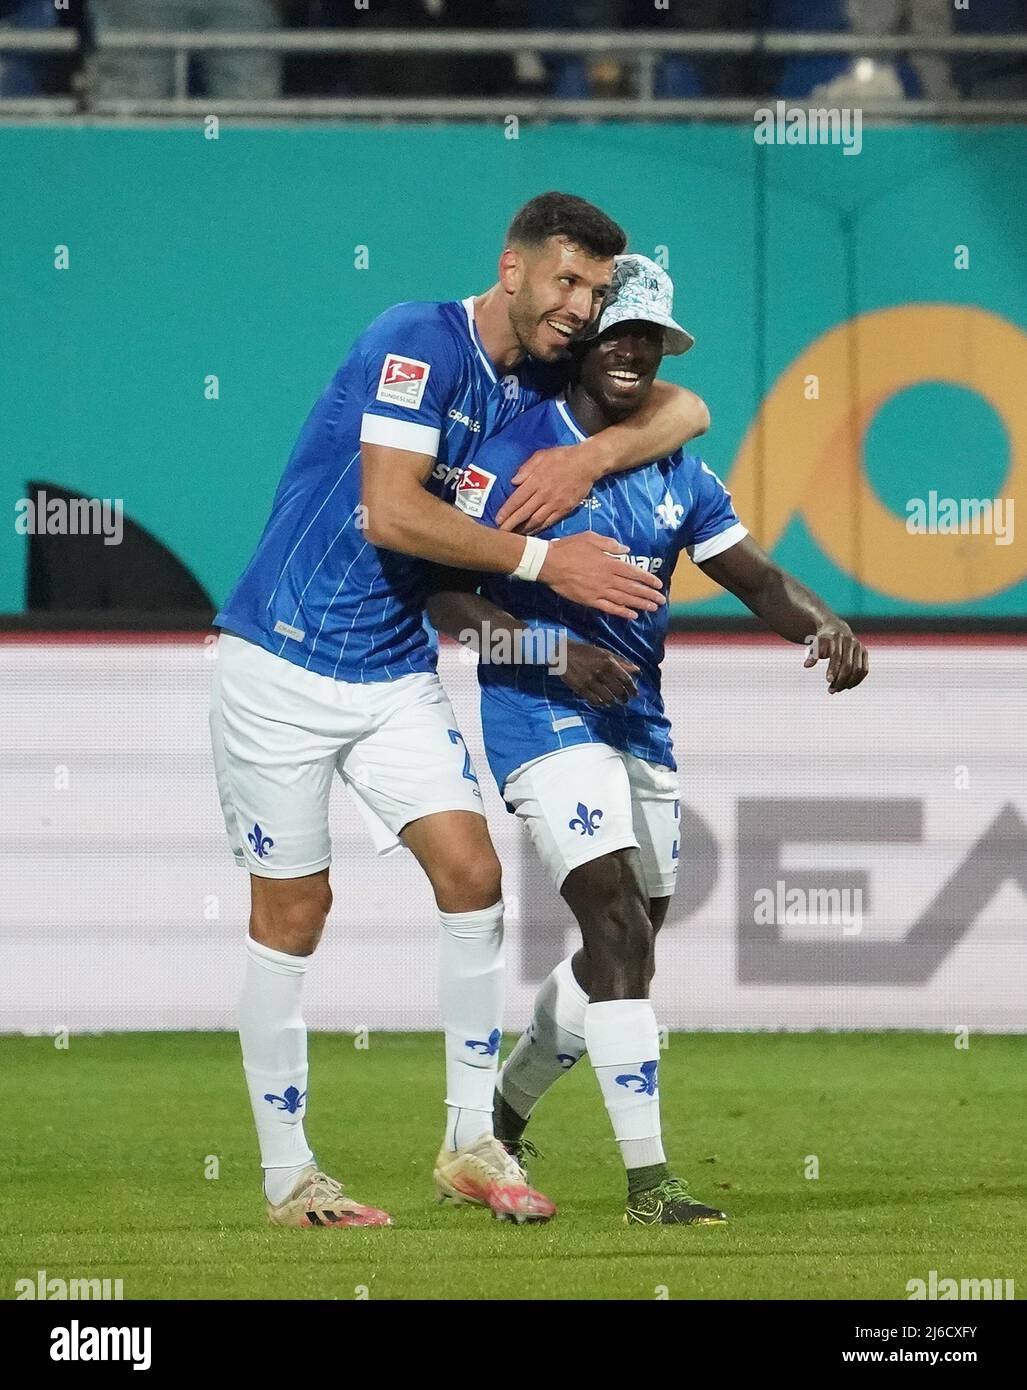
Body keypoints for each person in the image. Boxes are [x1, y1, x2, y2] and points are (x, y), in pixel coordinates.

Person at [211, 195, 710, 1228]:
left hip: (392, 666)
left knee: (473, 875)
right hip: (279, 660)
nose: (580, 310)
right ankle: (287, 1174)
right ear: (513, 269)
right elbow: (390, 508)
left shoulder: (536, 375)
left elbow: (683, 408)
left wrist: (584, 458)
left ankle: (470, 1140)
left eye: (596, 292)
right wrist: (543, 559)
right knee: (294, 914)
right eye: (565, 283)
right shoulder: (414, 338)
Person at [426, 254, 870, 1225]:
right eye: (617, 332)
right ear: (581, 339)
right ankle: (648, 1184)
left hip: (638, 720)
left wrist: (823, 622)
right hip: (539, 714)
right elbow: (442, 587)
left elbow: (753, 576)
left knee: (622, 948)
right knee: (618, 923)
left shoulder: (675, 465)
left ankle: (501, 1109)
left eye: (650, 339)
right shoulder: (512, 451)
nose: (632, 351)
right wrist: (550, 650)